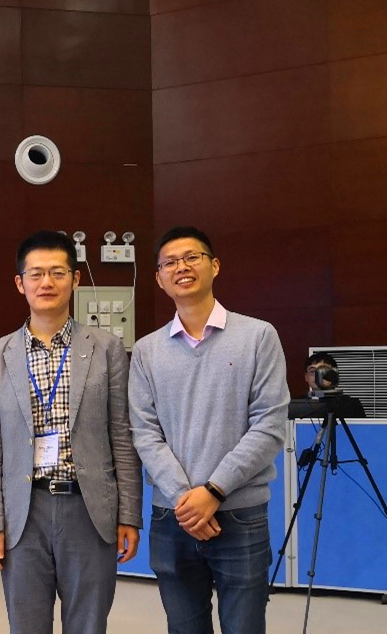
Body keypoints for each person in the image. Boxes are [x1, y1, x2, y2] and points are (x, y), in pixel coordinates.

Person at [0, 231, 142, 634]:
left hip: (89, 508)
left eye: (57, 272)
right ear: (20, 283)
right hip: (23, 511)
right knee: (27, 625)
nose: (46, 282)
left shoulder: (106, 348)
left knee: (88, 624)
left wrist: (129, 514)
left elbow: (122, 436)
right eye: (35, 274)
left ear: (75, 279)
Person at [129, 227, 289, 634]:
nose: (181, 267)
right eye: (169, 263)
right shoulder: (146, 350)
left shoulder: (258, 336)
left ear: (214, 266)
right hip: (173, 517)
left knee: (244, 627)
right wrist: (187, 501)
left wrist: (214, 491)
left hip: (239, 513)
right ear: (159, 278)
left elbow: (269, 425)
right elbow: (144, 432)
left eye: (192, 257)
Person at [302, 352, 365, 418]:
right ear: (306, 377)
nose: (318, 375)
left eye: (323, 371)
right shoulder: (297, 404)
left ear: (334, 375)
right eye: (312, 371)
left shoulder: (352, 405)